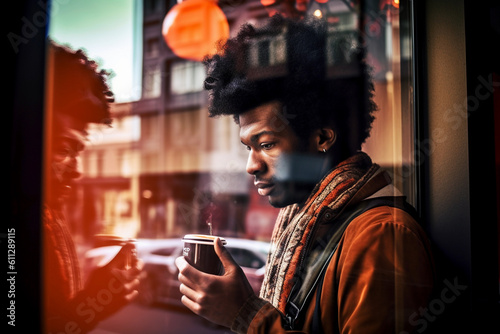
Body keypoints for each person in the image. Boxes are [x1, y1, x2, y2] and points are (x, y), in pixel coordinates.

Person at [175, 15, 435, 333]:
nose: (251, 165)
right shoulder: (306, 221)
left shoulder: (382, 236)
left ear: (322, 138)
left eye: (267, 144)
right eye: (248, 147)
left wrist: (245, 314)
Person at [43, 40, 143, 334]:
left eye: (78, 152)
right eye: (63, 149)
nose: (76, 171)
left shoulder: (48, 216)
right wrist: (92, 306)